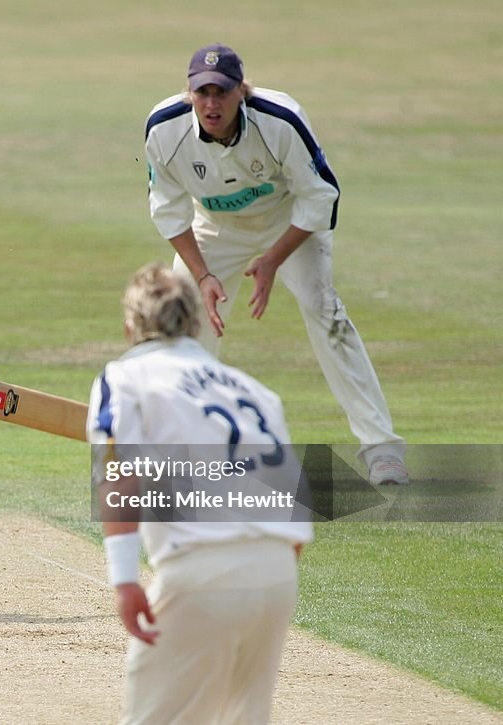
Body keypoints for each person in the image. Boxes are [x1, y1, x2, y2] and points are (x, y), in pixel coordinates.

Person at [143, 43, 408, 486]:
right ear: (190, 93)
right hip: (215, 227)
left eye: (221, 92)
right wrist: (203, 275)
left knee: (325, 311)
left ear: (240, 91)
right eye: (202, 92)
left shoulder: (280, 120)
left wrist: (272, 260)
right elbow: (168, 211)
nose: (212, 103)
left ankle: (381, 448)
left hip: (288, 223)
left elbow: (321, 196)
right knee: (183, 318)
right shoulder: (163, 129)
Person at [88, 261, 313, 724]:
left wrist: (125, 580)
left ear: (130, 325)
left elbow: (118, 477)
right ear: (193, 320)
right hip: (278, 572)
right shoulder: (255, 390)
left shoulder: (123, 377)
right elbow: (291, 494)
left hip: (203, 568)